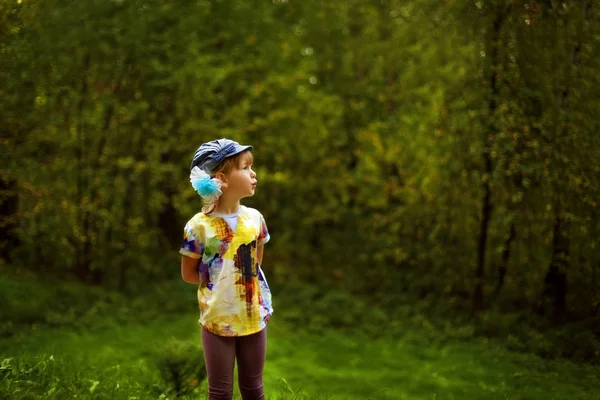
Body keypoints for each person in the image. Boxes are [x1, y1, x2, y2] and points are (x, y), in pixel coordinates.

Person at [179, 138, 272, 400]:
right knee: (220, 392)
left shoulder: (255, 219)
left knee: (254, 389)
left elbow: (256, 263)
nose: (253, 173)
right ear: (222, 178)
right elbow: (188, 274)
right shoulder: (198, 226)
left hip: (253, 317)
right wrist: (220, 282)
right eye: (245, 167)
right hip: (217, 321)